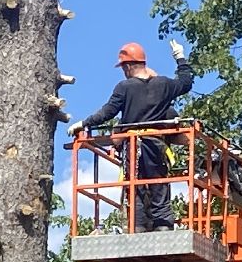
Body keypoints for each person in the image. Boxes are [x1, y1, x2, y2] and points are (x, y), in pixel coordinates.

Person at [69, 41, 193, 231]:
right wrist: (180, 57)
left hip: (134, 148)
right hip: (156, 146)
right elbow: (185, 82)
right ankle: (163, 227)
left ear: (127, 67)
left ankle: (138, 227)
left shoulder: (125, 87)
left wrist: (84, 123)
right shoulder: (164, 85)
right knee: (159, 186)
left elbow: (108, 112)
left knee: (136, 190)